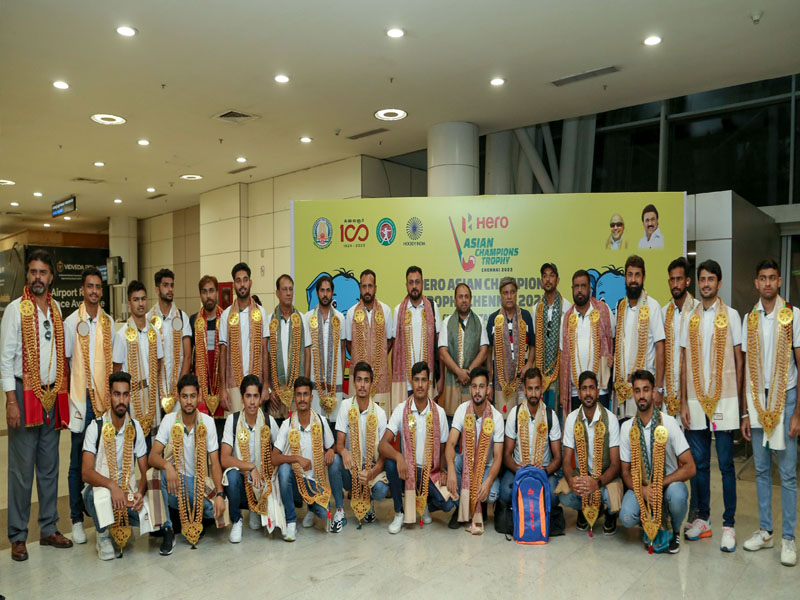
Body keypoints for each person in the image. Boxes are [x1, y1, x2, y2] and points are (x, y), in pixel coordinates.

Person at [1, 249, 72, 561]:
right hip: (23, 393)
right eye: (33, 272)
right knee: (20, 471)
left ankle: (48, 528)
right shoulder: (16, 310)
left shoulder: (56, 309)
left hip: (52, 395)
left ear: (51, 277)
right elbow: (5, 360)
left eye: (43, 272)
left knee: (49, 467)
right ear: (28, 275)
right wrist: (11, 401)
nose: (38, 277)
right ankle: (18, 535)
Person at [680, 259, 742, 552]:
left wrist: (741, 404)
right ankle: (702, 519)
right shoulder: (688, 317)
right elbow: (682, 362)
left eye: (711, 279)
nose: (706, 283)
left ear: (719, 283)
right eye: (702, 279)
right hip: (694, 399)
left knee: (727, 465)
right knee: (700, 464)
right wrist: (682, 401)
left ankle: (728, 524)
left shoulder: (732, 315)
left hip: (725, 399)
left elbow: (740, 361)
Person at [740, 259, 799, 566]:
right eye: (762, 278)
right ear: (756, 282)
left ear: (779, 282)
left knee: (787, 474)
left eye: (772, 278)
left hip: (785, 398)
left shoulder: (793, 316)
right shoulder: (749, 318)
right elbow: (746, 366)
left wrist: (798, 412)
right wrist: (746, 414)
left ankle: (789, 538)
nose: (767, 283)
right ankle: (766, 531)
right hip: (757, 400)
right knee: (761, 470)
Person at [63, 266, 117, 545]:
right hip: (81, 402)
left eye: (98, 287)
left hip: (106, 403)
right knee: (76, 462)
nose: (94, 291)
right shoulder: (71, 322)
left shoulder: (109, 323)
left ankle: (101, 515)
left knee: (104, 461)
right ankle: (75, 519)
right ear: (82, 290)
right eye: (90, 287)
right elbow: (66, 365)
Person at [619, 370, 696, 554]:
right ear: (633, 394)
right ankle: (650, 524)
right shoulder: (627, 428)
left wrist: (661, 483)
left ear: (654, 392)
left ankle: (674, 529)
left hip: (667, 485)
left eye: (646, 390)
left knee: (677, 495)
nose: (642, 395)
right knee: (627, 516)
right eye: (637, 391)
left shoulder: (668, 423)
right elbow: (625, 472)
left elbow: (690, 467)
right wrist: (643, 490)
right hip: (641, 486)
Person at [149, 374, 226, 554]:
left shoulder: (207, 423)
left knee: (220, 515)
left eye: (192, 396)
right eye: (184, 396)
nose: (189, 401)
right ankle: (168, 530)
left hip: (200, 487)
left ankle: (197, 519)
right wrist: (168, 466)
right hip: (175, 487)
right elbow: (152, 456)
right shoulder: (169, 421)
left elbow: (215, 463)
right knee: (154, 474)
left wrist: (220, 494)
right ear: (179, 398)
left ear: (198, 397)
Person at [81, 372, 152, 560]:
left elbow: (145, 472)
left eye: (125, 394)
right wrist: (112, 486)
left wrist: (140, 493)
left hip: (127, 494)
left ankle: (123, 524)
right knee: (94, 496)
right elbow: (86, 473)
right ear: (109, 396)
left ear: (129, 397)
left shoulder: (135, 427)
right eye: (117, 394)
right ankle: (103, 535)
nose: (121, 400)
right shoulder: (95, 427)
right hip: (102, 492)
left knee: (154, 518)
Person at [380, 361, 454, 534]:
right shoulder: (401, 410)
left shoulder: (439, 412)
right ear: (411, 382)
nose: (420, 385)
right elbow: (382, 445)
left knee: (449, 504)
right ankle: (399, 512)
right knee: (391, 464)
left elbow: (444, 447)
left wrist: (443, 470)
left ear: (429, 383)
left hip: (430, 472)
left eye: (424, 380)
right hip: (408, 470)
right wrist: (399, 457)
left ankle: (424, 505)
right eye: (416, 380)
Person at [273, 376, 338, 542]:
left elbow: (333, 446)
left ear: (311, 397)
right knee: (284, 469)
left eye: (305, 394)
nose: (302, 399)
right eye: (299, 395)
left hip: (315, 484)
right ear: (294, 397)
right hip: (295, 482)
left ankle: (311, 508)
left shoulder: (321, 422)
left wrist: (331, 451)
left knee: (324, 514)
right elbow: (274, 457)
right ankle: (291, 521)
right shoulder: (287, 425)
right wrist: (296, 458)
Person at [219, 374, 282, 543]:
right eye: (248, 396)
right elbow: (224, 459)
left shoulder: (268, 422)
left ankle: (257, 509)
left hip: (264, 482)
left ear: (261, 398)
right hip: (242, 480)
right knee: (231, 476)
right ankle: (237, 520)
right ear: (242, 398)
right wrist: (250, 467)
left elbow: (280, 452)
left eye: (255, 396)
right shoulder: (232, 421)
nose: (252, 402)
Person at [560, 371, 622, 536]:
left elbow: (616, 464)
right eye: (584, 389)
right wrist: (572, 480)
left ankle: (609, 514)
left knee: (610, 497)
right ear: (579, 393)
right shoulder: (572, 419)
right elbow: (566, 461)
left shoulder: (611, 419)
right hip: (583, 476)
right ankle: (583, 509)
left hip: (605, 478)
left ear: (598, 391)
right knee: (564, 495)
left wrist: (597, 482)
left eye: (591, 388)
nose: (588, 393)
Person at [445, 366, 504, 534]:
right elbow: (450, 444)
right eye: (474, 386)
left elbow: (498, 456)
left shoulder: (497, 417)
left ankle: (481, 506)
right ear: (470, 389)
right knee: (456, 460)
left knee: (491, 493)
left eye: (482, 386)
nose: (478, 391)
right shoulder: (462, 410)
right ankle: (461, 509)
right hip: (465, 464)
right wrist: (449, 468)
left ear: (488, 390)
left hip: (486, 466)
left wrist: (487, 482)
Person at [330, 361, 389, 527]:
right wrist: (344, 452)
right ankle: (340, 511)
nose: (362, 385)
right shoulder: (345, 406)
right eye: (359, 380)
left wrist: (372, 472)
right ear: (354, 382)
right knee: (334, 462)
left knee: (381, 490)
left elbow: (384, 453)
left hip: (371, 468)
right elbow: (339, 444)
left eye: (366, 380)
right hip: (351, 467)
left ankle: (369, 502)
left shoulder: (380, 413)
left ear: (371, 384)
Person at [500, 367, 562, 521]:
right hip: (518, 469)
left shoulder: (550, 415)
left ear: (542, 389)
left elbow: (558, 458)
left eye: (536, 389)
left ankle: (531, 512)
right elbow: (507, 454)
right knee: (505, 493)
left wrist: (545, 470)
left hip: (543, 470)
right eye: (530, 389)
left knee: (554, 496)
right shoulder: (514, 413)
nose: (534, 394)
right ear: (524, 389)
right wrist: (517, 468)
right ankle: (525, 512)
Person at [613, 255, 666, 418]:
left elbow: (660, 348)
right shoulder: (620, 306)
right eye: (630, 275)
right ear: (625, 278)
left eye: (637, 275)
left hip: (644, 391)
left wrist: (659, 389)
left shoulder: (653, 306)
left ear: (643, 277)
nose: (633, 280)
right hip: (621, 389)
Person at [112, 280, 164, 440]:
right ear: (129, 303)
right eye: (136, 300)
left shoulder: (154, 331)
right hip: (133, 397)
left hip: (152, 395)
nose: (140, 304)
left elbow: (159, 362)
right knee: (133, 443)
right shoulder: (122, 335)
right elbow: (116, 369)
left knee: (154, 444)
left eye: (143, 299)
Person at [560, 270, 615, 413]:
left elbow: (614, 339)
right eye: (576, 286)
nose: (579, 290)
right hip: (575, 392)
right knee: (577, 433)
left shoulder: (604, 310)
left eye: (583, 286)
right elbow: (562, 357)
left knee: (601, 431)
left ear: (590, 288)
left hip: (599, 390)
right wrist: (562, 393)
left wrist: (611, 357)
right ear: (572, 289)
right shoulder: (566, 318)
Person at [219, 262, 269, 416]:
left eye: (245, 280)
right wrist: (222, 389)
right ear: (234, 284)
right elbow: (223, 353)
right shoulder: (226, 315)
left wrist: (266, 384)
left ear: (250, 282)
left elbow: (265, 351)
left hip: (257, 383)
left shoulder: (261, 312)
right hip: (234, 385)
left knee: (257, 431)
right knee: (235, 431)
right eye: (238, 280)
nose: (242, 284)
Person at [392, 266, 442, 411]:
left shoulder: (432, 308)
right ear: (406, 285)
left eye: (417, 282)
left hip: (428, 380)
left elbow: (439, 346)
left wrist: (440, 378)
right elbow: (395, 350)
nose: (414, 286)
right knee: (407, 424)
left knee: (428, 424)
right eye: (411, 282)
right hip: (406, 383)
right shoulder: (398, 311)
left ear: (422, 283)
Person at [344, 269, 394, 411]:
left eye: (370, 286)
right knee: (356, 420)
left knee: (380, 421)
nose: (367, 290)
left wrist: (379, 357)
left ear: (375, 288)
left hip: (381, 376)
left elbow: (389, 341)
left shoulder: (386, 311)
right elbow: (349, 344)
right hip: (358, 377)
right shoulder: (351, 313)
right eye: (364, 286)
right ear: (360, 288)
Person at [438, 283, 489, 421]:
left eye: (466, 296)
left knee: (471, 422)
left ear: (471, 299)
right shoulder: (447, 322)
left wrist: (468, 373)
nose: (464, 300)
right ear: (455, 300)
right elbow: (443, 352)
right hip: (452, 382)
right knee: (452, 422)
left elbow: (484, 351)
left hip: (473, 384)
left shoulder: (479, 321)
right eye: (460, 297)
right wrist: (458, 372)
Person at [146, 269, 192, 419]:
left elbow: (187, 356)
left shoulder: (182, 317)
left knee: (177, 433)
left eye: (172, 285)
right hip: (155, 390)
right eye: (166, 285)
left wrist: (180, 387)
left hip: (177, 390)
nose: (170, 289)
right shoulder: (148, 319)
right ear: (157, 289)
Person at [486, 276, 535, 414]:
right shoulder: (493, 319)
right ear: (500, 295)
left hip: (522, 378)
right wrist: (490, 381)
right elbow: (488, 352)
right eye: (505, 293)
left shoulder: (525, 316)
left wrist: (529, 363)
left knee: (522, 419)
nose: (509, 296)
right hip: (500, 381)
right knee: (503, 419)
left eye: (512, 292)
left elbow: (533, 345)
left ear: (516, 294)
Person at [268, 274, 311, 421]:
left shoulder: (302, 319)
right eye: (284, 289)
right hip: (275, 394)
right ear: (277, 293)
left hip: (296, 394)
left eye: (291, 289)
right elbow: (265, 356)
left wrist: (304, 388)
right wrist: (270, 389)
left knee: (295, 436)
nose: (288, 293)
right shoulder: (270, 320)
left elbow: (307, 353)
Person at [304, 275, 346, 427]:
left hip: (335, 382)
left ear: (332, 293)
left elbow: (342, 349)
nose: (325, 294)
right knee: (316, 423)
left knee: (335, 424)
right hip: (315, 382)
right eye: (322, 290)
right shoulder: (308, 318)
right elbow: (306, 352)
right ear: (317, 293)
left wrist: (339, 378)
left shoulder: (340, 318)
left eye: (328, 290)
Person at [661, 257, 699, 419]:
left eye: (679, 279)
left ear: (688, 281)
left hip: (693, 392)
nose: (676, 284)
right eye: (672, 280)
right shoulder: (663, 313)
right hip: (667, 392)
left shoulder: (698, 311)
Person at [533, 263, 572, 413]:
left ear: (558, 280)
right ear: (541, 281)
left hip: (559, 370)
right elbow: (536, 341)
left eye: (551, 275)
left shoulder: (567, 307)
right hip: (541, 371)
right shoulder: (536, 308)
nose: (548, 279)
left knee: (557, 414)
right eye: (544, 276)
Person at [189, 275, 225, 439]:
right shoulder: (193, 320)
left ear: (217, 293)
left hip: (221, 380)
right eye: (204, 292)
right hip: (202, 382)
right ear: (200, 295)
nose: (208, 295)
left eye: (211, 291)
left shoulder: (225, 318)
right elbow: (190, 354)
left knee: (220, 432)